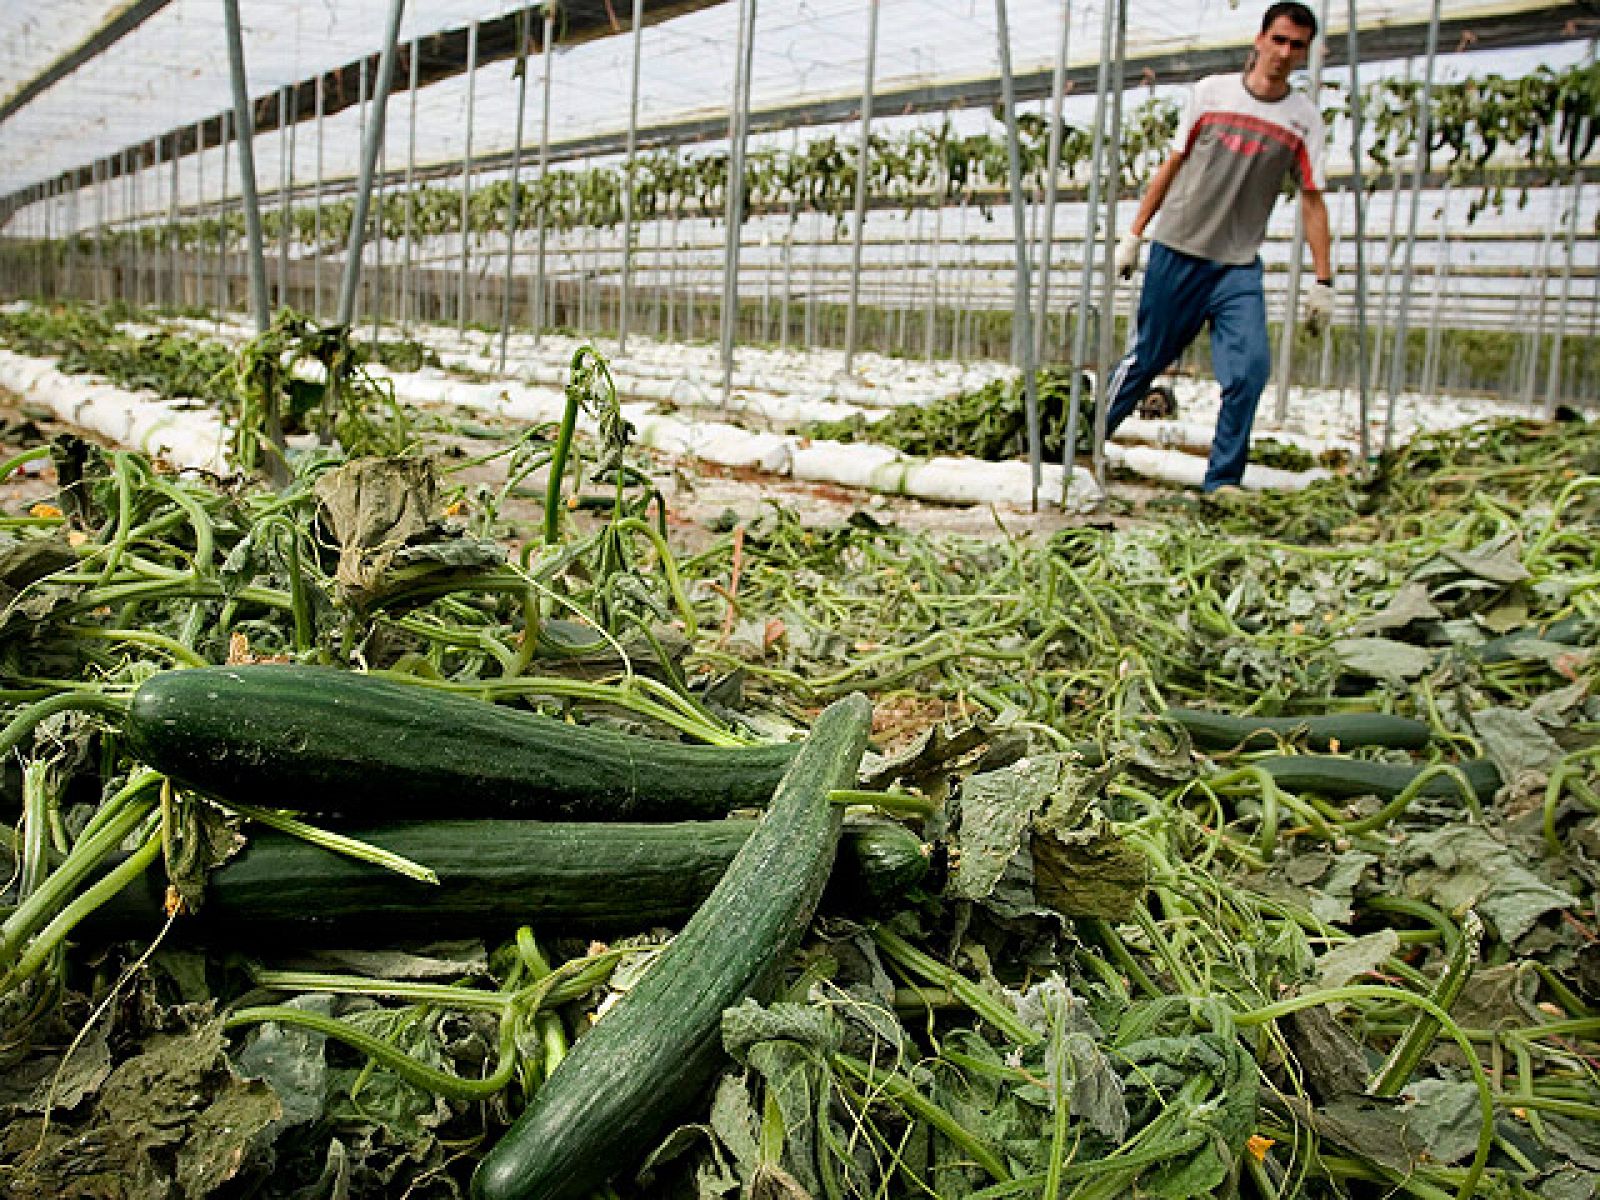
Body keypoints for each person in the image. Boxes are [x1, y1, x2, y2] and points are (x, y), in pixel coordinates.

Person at [1105, 0, 1333, 492]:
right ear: (1259, 40)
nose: (1285, 53)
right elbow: (1172, 164)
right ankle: (1080, 442)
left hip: (1236, 266)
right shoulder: (1210, 94)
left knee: (1250, 370)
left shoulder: (1303, 120)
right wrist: (1134, 233)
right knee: (1147, 358)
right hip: (1178, 248)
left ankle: (1221, 485)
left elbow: (1313, 200)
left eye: (1297, 46)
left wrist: (1323, 280)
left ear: (1306, 54)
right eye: (1279, 40)